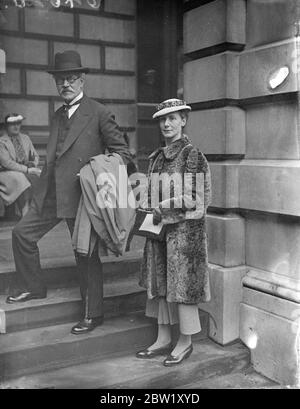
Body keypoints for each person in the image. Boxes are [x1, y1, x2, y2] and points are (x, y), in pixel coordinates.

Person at [6, 50, 132, 336]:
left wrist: (94, 171)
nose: (66, 84)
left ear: (82, 79)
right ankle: (33, 287)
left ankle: (93, 314)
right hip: (51, 194)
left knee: (85, 255)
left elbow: (123, 154)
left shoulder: (99, 112)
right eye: (61, 79)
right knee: (21, 234)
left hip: (82, 196)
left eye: (72, 78)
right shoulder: (57, 115)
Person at [136, 98, 211, 366]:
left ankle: (185, 342)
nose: (167, 124)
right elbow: (149, 193)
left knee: (182, 286)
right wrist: (144, 208)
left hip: (183, 236)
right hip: (159, 234)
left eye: (172, 118)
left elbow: (197, 199)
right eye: (162, 119)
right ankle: (163, 337)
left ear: (183, 120)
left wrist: (162, 209)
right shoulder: (156, 157)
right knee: (160, 285)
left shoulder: (192, 155)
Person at [0, 113, 40, 216]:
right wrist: (27, 170)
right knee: (20, 178)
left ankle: (33, 211)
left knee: (40, 175)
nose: (16, 126)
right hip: (6, 172)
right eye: (12, 124)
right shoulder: (2, 142)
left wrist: (32, 163)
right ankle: (24, 210)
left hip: (25, 170)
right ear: (6, 126)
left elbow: (34, 155)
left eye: (18, 123)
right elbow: (7, 163)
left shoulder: (25, 138)